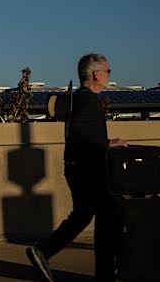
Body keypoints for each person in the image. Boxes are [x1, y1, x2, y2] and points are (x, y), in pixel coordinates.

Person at [27, 53, 128, 282]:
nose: (109, 75)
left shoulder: (81, 98)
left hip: (78, 167)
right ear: (95, 74)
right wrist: (107, 143)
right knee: (107, 214)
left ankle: (44, 251)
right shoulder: (88, 99)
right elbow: (79, 130)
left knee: (85, 213)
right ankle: (105, 271)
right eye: (107, 71)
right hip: (86, 169)